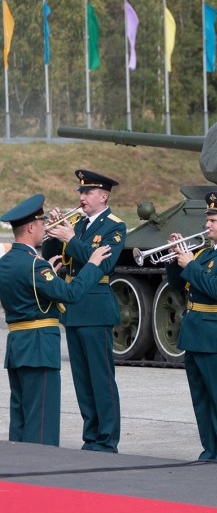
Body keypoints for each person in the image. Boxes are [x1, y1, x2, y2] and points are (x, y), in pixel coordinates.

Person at [0, 195, 112, 446]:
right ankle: (38, 476)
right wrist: (93, 264)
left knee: (20, 417)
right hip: (39, 347)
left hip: (17, 345)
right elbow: (70, 294)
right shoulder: (35, 267)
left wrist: (47, 272)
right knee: (41, 421)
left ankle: (16, 475)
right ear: (30, 228)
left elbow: (28, 288)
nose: (44, 228)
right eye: (41, 223)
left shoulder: (6, 263)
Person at [42, 169, 126, 452]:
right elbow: (52, 256)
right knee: (82, 379)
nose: (82, 197)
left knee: (101, 378)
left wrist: (70, 238)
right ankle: (91, 436)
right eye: (81, 192)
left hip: (97, 307)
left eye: (88, 192)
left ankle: (107, 439)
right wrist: (54, 232)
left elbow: (103, 264)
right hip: (75, 307)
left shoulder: (115, 226)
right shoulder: (76, 222)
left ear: (103, 196)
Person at [165, 192, 217, 465]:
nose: (208, 225)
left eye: (213, 220)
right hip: (196, 333)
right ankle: (210, 451)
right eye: (208, 219)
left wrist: (190, 264)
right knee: (201, 400)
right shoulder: (204, 253)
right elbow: (180, 285)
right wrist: (174, 259)